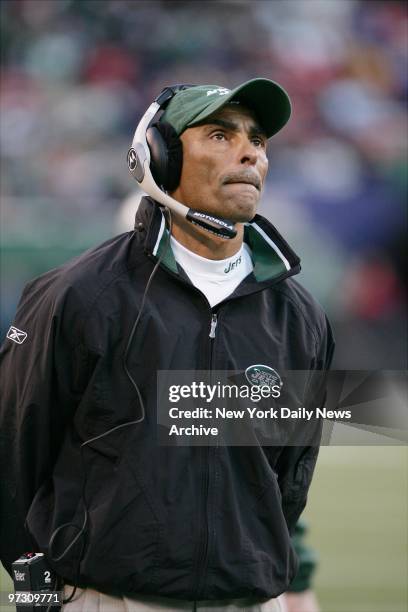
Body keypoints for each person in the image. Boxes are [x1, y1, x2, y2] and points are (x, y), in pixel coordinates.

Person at [0, 79, 334, 611]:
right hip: (108, 599)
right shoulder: (80, 295)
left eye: (258, 140)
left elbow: (289, 477)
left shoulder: (301, 317)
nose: (250, 151)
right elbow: (13, 448)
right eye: (221, 135)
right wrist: (33, 583)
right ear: (159, 154)